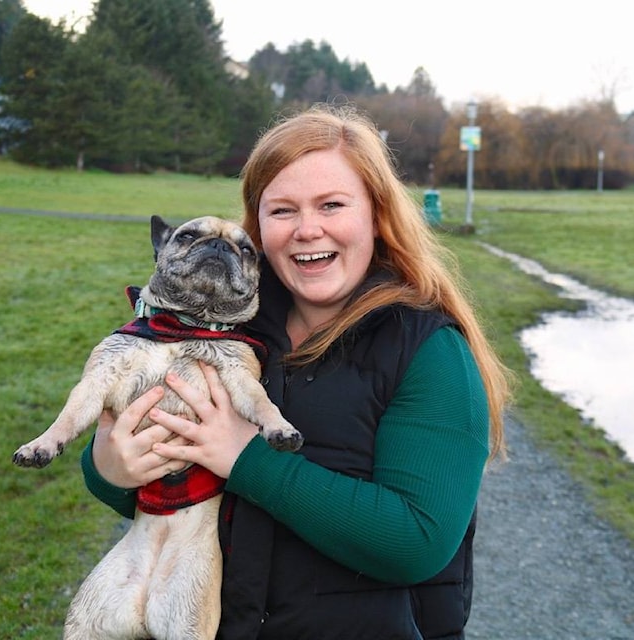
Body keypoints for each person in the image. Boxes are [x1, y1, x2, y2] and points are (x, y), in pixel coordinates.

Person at [80, 103, 512, 639]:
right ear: (256, 226)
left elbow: (416, 542)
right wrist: (108, 470)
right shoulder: (234, 326)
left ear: (376, 214)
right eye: (281, 210)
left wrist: (247, 460)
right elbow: (162, 455)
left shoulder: (429, 350)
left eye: (331, 205)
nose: (308, 230)